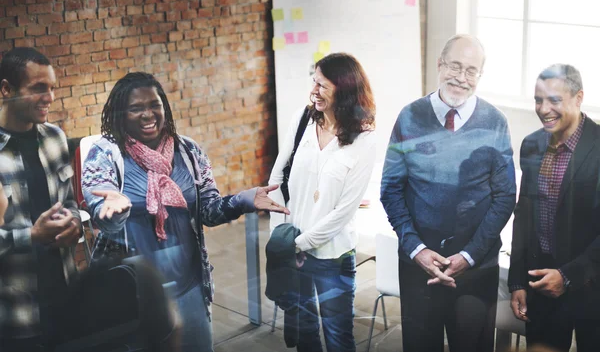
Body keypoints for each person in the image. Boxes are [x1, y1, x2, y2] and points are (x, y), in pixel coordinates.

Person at [81, 72, 289, 352]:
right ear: (121, 113)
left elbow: (210, 211)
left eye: (154, 104)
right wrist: (112, 210)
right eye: (136, 108)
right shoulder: (106, 154)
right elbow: (100, 200)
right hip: (133, 291)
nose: (148, 114)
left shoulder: (188, 151)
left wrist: (244, 199)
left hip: (187, 284)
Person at [380, 34, 516, 352]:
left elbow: (505, 196)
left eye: (471, 70)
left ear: (480, 76)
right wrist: (417, 250)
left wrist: (468, 256)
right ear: (440, 65)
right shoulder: (409, 116)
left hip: (476, 271)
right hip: (418, 269)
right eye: (455, 66)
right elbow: (391, 189)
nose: (461, 77)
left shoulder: (496, 122)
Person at [268, 52, 377, 352]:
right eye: (314, 82)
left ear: (344, 90)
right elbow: (277, 179)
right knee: (305, 336)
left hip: (333, 258)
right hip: (293, 252)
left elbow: (343, 212)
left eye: (322, 86)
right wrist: (281, 238)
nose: (313, 91)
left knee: (338, 338)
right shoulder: (303, 119)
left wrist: (297, 245)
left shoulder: (363, 140)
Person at [508, 64, 600, 352]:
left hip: (592, 288)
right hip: (541, 287)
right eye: (538, 100)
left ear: (578, 97)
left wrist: (569, 275)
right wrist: (517, 282)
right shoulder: (532, 145)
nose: (543, 108)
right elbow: (523, 217)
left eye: (554, 100)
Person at [0, 47, 82, 351]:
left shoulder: (55, 138)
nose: (49, 97)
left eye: (52, 88)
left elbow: (71, 202)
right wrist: (31, 236)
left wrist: (73, 222)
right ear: (6, 89)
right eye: (38, 88)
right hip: (14, 317)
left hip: (65, 302)